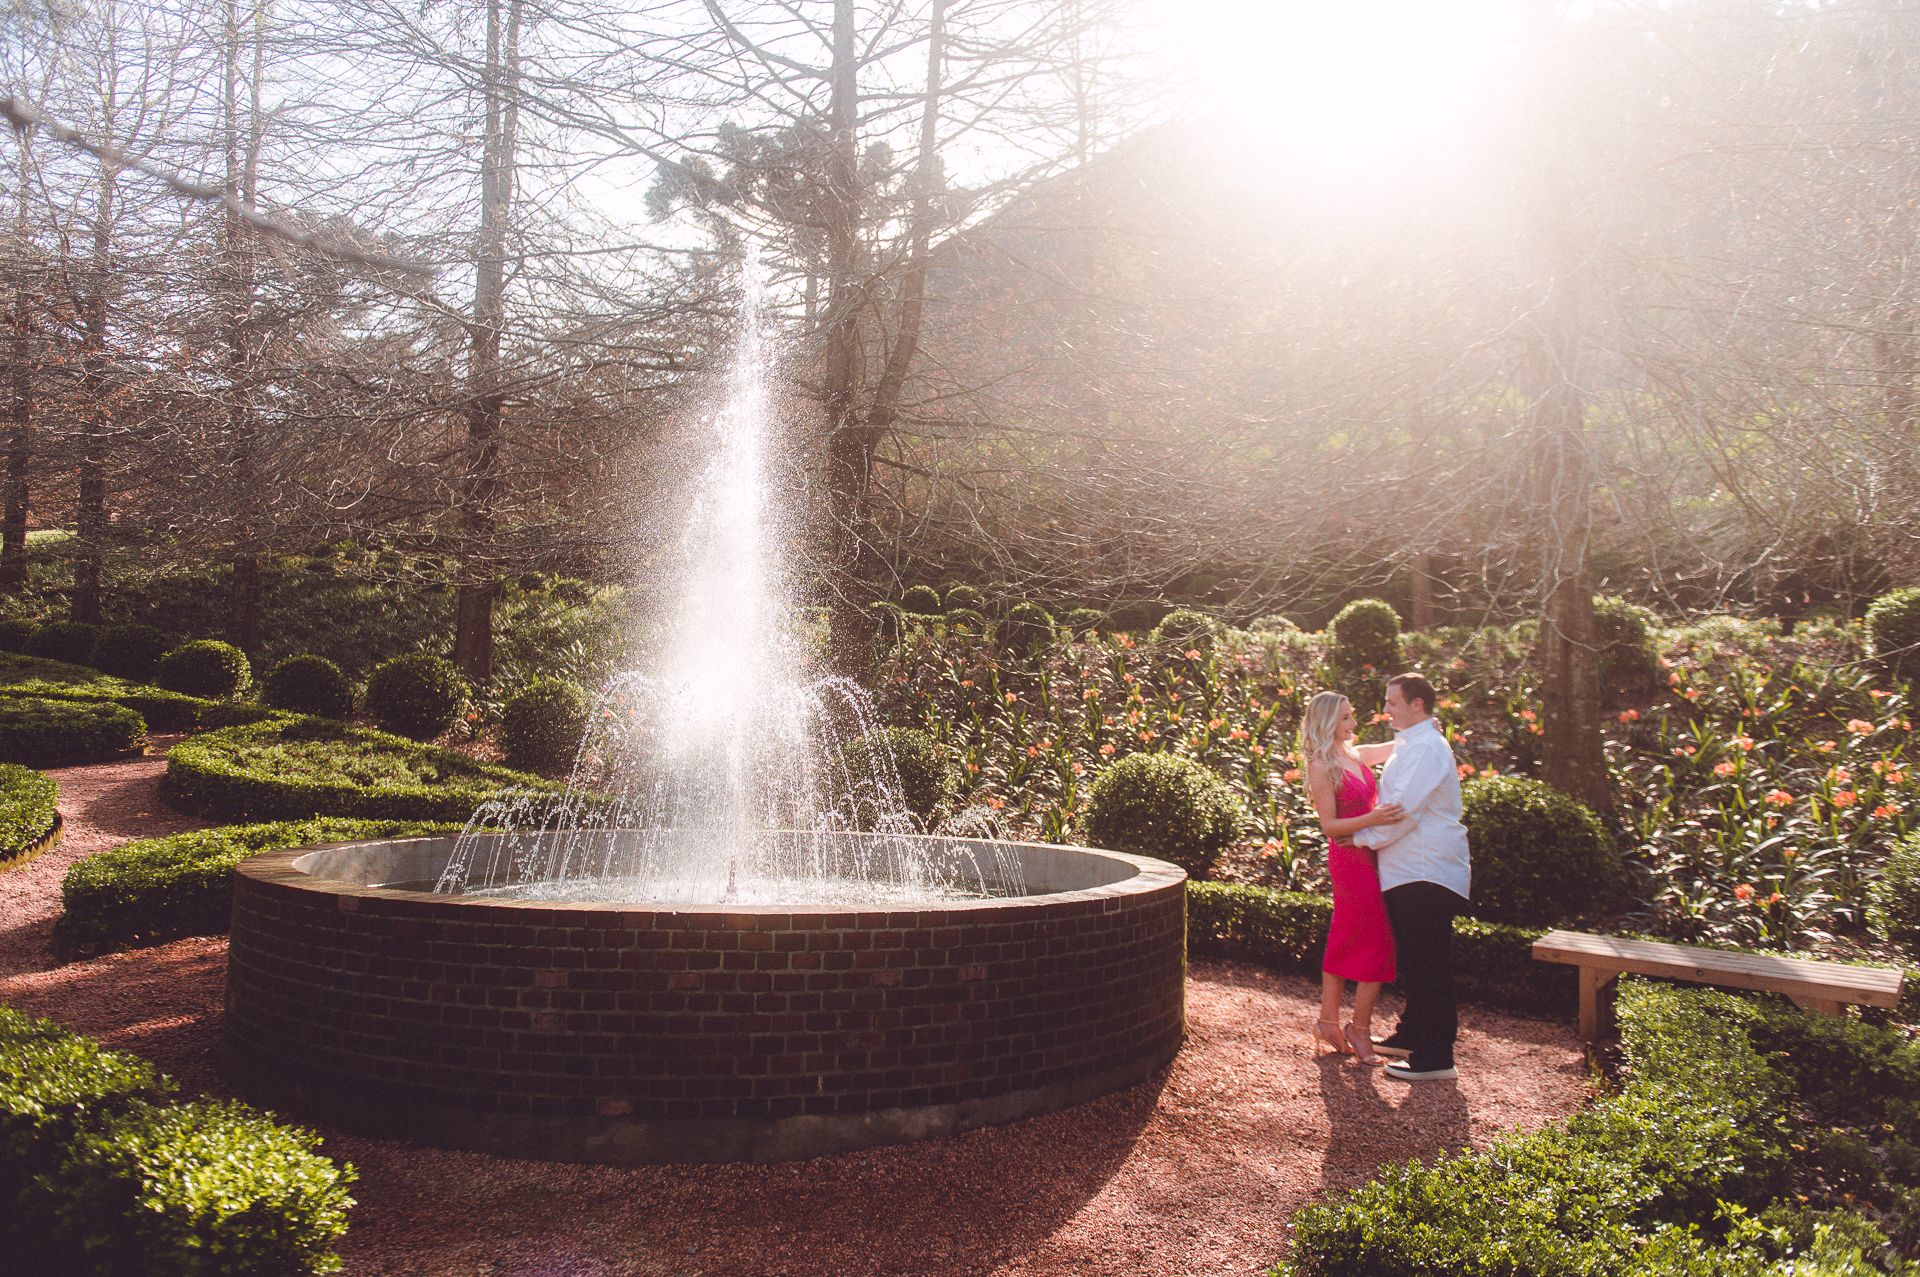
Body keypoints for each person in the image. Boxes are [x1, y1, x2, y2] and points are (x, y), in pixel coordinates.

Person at [1351, 672, 1472, 1082]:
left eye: (1393, 703)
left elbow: (1402, 811)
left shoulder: (1426, 749)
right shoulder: (1410, 744)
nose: (1386, 710)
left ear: (1417, 704)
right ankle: (1413, 1034)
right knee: (1417, 960)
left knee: (1429, 963)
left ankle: (1436, 1057)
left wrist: (1357, 838)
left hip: (1426, 869)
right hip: (1407, 869)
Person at [1298, 691, 1403, 1065]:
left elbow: (1392, 745)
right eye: (1345, 719)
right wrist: (1373, 819)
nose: (1352, 724)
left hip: (1370, 854)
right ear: (1327, 722)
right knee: (1377, 939)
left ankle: (1330, 1022)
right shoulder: (1321, 764)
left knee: (1349, 935)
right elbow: (1329, 825)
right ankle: (1358, 1028)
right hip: (1349, 860)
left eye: (1351, 716)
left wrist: (1423, 729)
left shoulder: (1354, 754)